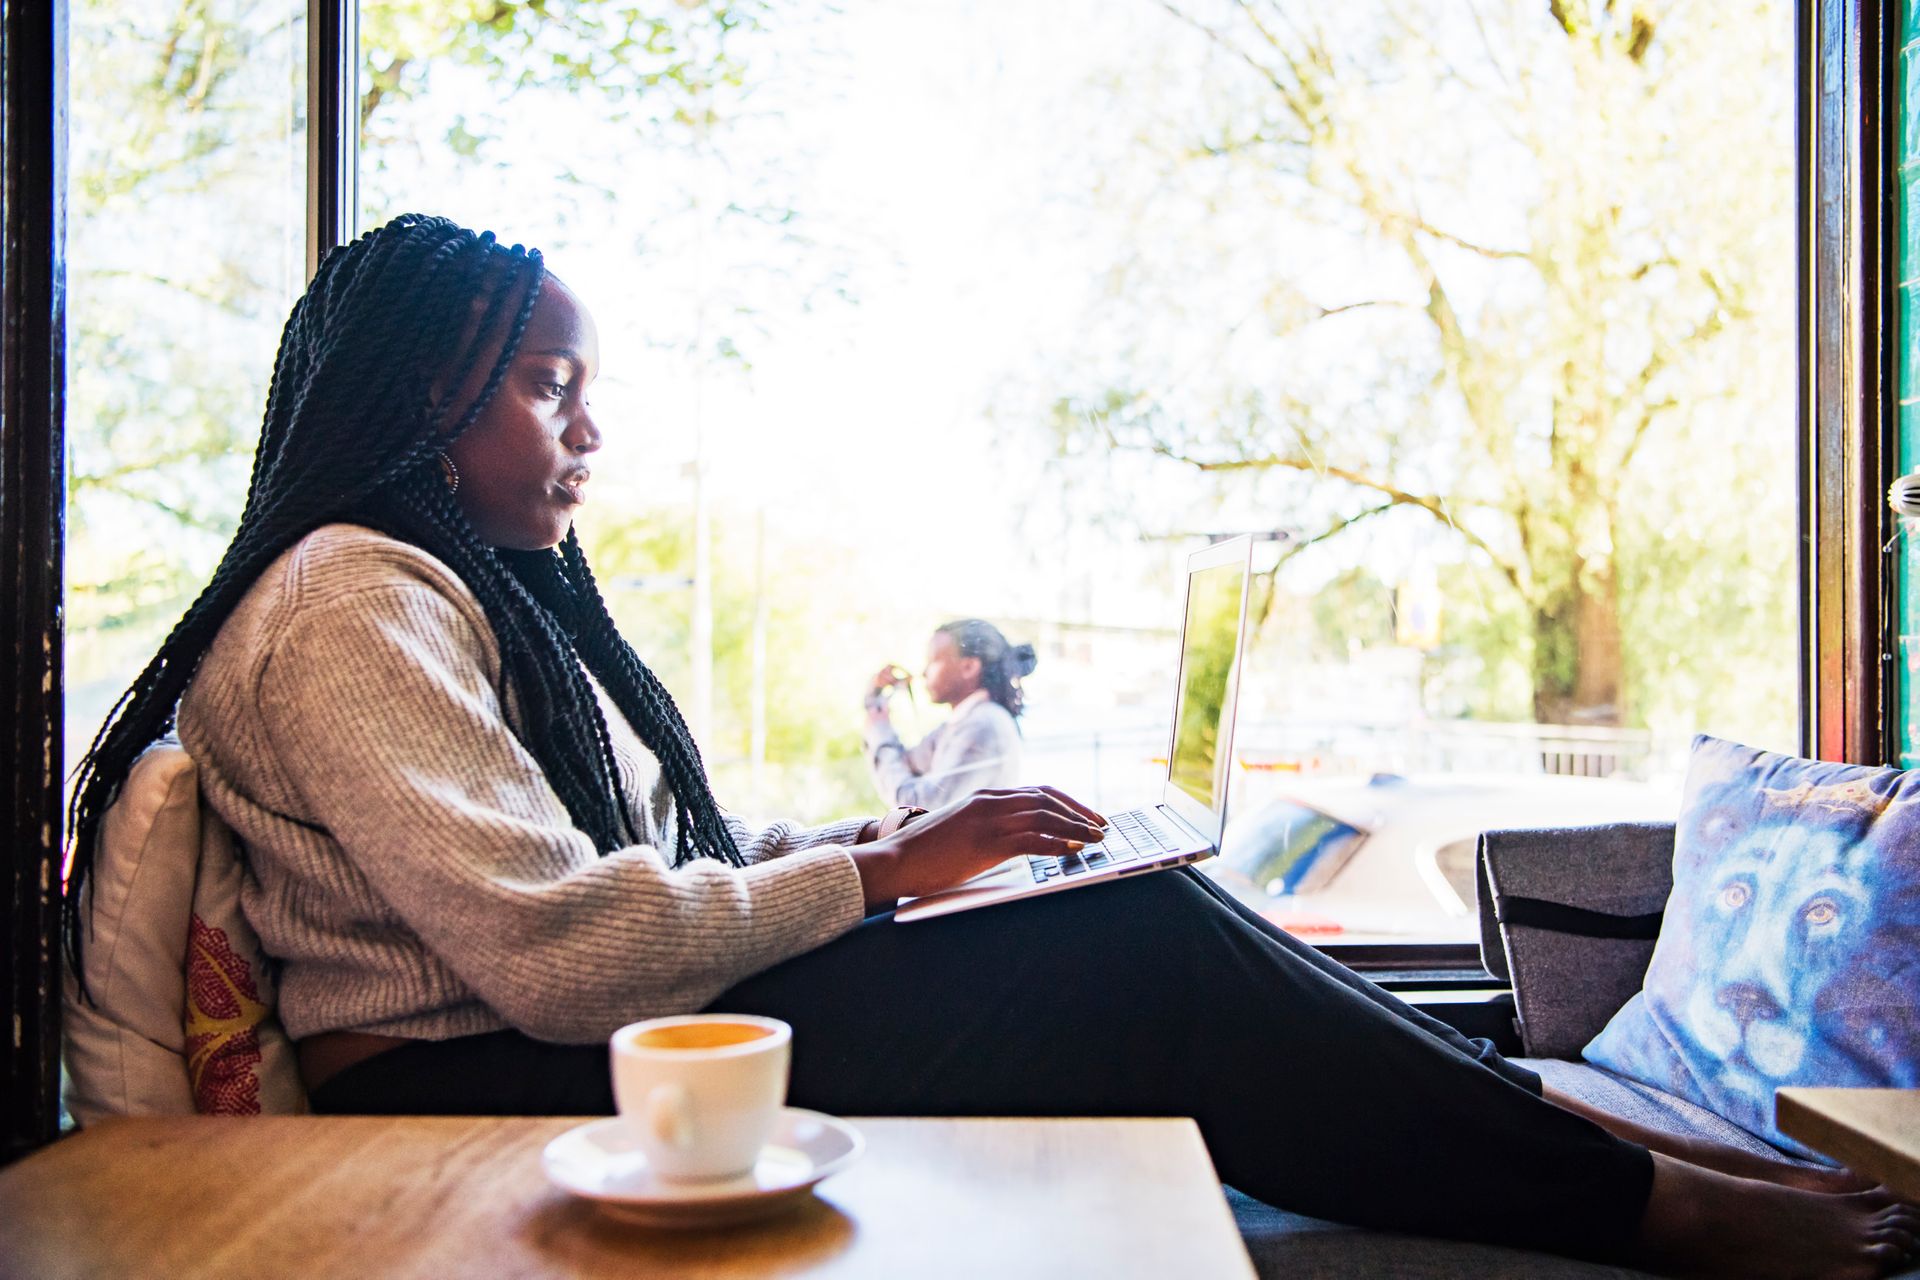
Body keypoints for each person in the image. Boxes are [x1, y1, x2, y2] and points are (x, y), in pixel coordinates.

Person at [62, 215, 1917, 1279]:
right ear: (416, 394)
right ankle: (1650, 1205)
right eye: (550, 387)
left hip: (564, 1053)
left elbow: (621, 882)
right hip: (490, 1093)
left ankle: (1563, 1132)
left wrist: (916, 839)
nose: (586, 433)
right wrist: (879, 874)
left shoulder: (433, 593)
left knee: (1147, 906)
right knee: (1135, 955)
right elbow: (558, 952)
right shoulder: (348, 601)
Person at [864, 619, 1034, 808]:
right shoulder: (964, 723)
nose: (923, 673)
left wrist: (879, 730)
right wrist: (875, 701)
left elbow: (916, 808)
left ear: (968, 667)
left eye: (933, 661)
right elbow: (907, 763)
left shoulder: (982, 725)